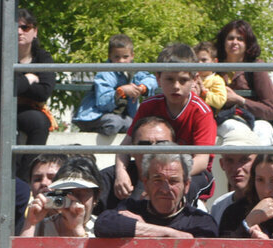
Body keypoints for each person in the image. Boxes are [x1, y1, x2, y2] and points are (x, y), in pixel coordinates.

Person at [118, 43, 217, 206]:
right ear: (158, 78)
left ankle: (183, 225)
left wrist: (167, 177)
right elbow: (125, 147)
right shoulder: (148, 106)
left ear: (195, 79)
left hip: (193, 173)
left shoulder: (201, 111)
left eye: (183, 80)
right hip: (153, 171)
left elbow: (201, 161)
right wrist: (121, 172)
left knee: (181, 189)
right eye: (169, 79)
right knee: (111, 178)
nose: (176, 86)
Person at [94, 152, 218, 238]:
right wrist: (168, 233)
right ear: (146, 183)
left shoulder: (200, 221)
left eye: (173, 181)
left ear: (186, 185)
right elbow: (103, 223)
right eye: (158, 180)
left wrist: (141, 229)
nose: (165, 189)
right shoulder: (132, 208)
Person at [74, 34, 156, 136]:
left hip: (120, 116)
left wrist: (141, 88)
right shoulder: (105, 73)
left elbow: (151, 79)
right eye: (117, 57)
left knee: (138, 124)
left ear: (132, 56)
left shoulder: (133, 71)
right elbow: (103, 102)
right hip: (94, 116)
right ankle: (94, 131)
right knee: (115, 122)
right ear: (110, 56)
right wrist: (121, 91)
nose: (121, 61)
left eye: (125, 57)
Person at [213, 19, 273, 146]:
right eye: (230, 38)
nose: (235, 42)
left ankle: (259, 165)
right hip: (223, 120)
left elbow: (270, 110)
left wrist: (239, 100)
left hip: (254, 119)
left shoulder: (256, 67)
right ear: (223, 41)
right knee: (236, 129)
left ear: (248, 43)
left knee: (264, 130)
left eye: (240, 39)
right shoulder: (213, 66)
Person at [20, 156, 103, 238]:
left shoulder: (103, 229)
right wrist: (30, 224)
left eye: (80, 193)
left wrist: (78, 230)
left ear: (95, 197)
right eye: (66, 192)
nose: (73, 200)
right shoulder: (41, 226)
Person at [15, 10, 56, 156]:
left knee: (40, 122)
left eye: (25, 27)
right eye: (15, 27)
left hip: (30, 110)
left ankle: (28, 175)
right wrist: (29, 79)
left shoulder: (43, 57)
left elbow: (44, 92)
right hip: (2, 108)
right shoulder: (1, 56)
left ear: (35, 31)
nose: (19, 32)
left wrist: (19, 83)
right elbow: (4, 89)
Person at [209, 124, 259, 228]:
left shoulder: (270, 205)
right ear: (222, 164)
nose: (237, 168)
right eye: (229, 160)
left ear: (257, 162)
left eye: (244, 160)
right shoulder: (218, 205)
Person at [192, 41, 226, 113]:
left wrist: (203, 91)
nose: (199, 63)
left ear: (214, 61)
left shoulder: (216, 80)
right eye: (196, 61)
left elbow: (220, 101)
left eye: (204, 60)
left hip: (209, 115)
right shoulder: (190, 79)